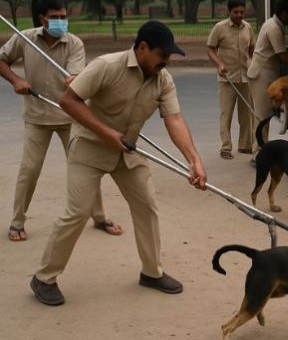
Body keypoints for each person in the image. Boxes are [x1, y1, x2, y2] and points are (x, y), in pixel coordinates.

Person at [30, 21, 208, 306]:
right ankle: (44, 278)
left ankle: (152, 272)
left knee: (146, 206)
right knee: (77, 212)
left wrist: (194, 160)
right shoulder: (106, 66)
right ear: (142, 48)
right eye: (162, 54)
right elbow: (69, 100)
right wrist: (107, 133)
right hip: (89, 147)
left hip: (126, 150)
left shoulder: (163, 80)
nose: (166, 61)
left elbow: (174, 119)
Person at [0, 0, 122, 242]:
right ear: (42, 19)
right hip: (36, 115)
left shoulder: (74, 43)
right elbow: (2, 60)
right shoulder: (24, 38)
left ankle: (98, 217)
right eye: (54, 18)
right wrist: (16, 81)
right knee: (30, 169)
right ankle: (17, 221)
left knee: (87, 166)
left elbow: (76, 77)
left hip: (70, 117)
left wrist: (75, 80)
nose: (60, 22)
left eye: (64, 17)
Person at [247, 0, 288, 149]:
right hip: (261, 73)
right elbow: (282, 55)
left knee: (262, 115)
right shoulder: (274, 28)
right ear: (284, 14)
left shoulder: (275, 24)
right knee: (262, 116)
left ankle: (259, 149)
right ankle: (259, 152)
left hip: (266, 72)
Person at [206, 0, 256, 160]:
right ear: (229, 11)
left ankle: (245, 145)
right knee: (226, 114)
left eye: (242, 12)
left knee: (246, 115)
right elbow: (210, 49)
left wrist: (253, 65)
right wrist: (219, 64)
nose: (239, 14)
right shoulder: (219, 28)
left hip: (246, 78)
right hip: (227, 79)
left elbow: (252, 48)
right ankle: (226, 147)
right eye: (236, 12)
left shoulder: (248, 27)